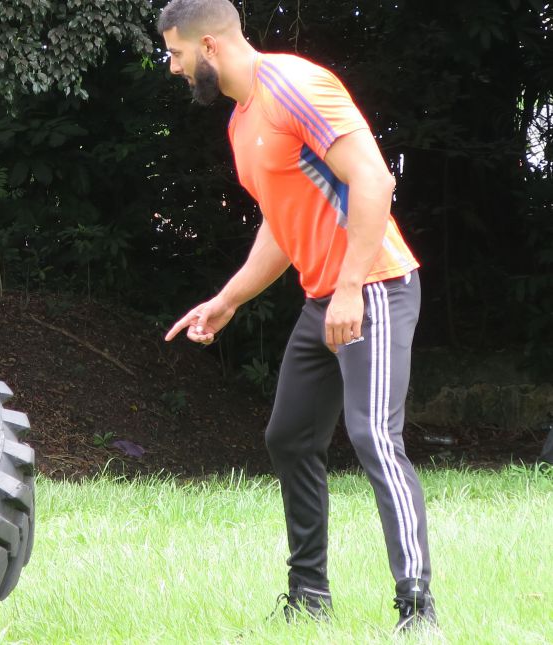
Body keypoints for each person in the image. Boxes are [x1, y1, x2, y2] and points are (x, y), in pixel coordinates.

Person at [156, 0, 435, 633]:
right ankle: (309, 595)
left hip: (377, 287)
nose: (171, 68)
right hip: (324, 299)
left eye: (174, 53)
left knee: (373, 438)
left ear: (210, 48)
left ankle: (417, 607)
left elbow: (374, 181)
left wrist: (348, 287)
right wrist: (228, 300)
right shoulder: (241, 121)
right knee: (288, 437)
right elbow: (281, 228)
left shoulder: (295, 86)